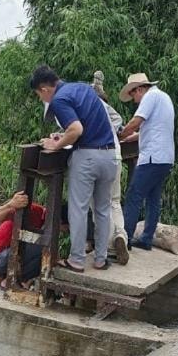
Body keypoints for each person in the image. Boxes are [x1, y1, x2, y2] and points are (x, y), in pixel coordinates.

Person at [31, 65, 118, 272]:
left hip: (87, 157)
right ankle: (100, 258)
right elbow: (85, 125)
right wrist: (63, 136)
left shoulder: (59, 99)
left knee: (78, 209)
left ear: (44, 89)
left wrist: (55, 145)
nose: (41, 99)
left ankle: (77, 260)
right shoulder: (83, 88)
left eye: (38, 95)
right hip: (109, 155)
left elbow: (76, 129)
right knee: (103, 209)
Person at [118, 72, 175, 251]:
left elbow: (136, 122)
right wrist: (130, 138)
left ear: (140, 89)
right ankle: (146, 238)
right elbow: (150, 130)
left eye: (133, 95)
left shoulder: (150, 97)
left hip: (152, 157)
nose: (134, 100)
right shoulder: (163, 97)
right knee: (153, 198)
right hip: (165, 157)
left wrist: (120, 134)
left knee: (133, 196)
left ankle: (125, 238)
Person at [90, 71, 130, 265]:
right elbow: (119, 121)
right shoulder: (107, 108)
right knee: (114, 201)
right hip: (116, 155)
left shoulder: (83, 106)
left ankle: (107, 248)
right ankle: (121, 236)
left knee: (99, 205)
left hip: (97, 159)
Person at [0, 191, 47, 288]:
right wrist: (10, 204)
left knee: (40, 253)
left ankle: (0, 277)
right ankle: (12, 280)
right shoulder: (35, 211)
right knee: (42, 250)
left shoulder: (40, 225)